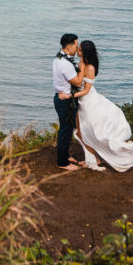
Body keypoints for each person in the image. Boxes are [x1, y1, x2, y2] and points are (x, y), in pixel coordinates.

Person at [70, 40, 133, 172]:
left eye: (80, 50)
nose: (77, 50)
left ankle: (95, 159)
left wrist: (71, 96)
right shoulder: (82, 63)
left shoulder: (90, 67)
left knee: (85, 133)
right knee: (82, 132)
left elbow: (86, 90)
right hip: (82, 101)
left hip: (87, 102)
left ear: (85, 52)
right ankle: (93, 158)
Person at [52, 33, 84, 171]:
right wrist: (83, 67)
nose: (77, 49)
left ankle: (65, 155)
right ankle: (62, 163)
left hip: (62, 97)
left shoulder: (58, 58)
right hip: (64, 101)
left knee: (67, 129)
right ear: (69, 46)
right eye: (76, 45)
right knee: (65, 130)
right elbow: (77, 81)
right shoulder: (66, 64)